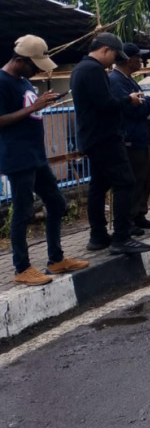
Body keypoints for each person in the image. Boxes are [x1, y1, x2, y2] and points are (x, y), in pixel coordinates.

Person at [1, 36, 90, 285]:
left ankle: (56, 259)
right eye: (35, 65)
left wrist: (43, 102)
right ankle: (21, 268)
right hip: (18, 157)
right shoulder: (2, 81)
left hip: (36, 156)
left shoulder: (23, 80)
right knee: (23, 211)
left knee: (57, 203)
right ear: (20, 60)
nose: (38, 71)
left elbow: (29, 111)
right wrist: (33, 107)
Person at [70, 32, 150, 255]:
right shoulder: (93, 70)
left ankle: (98, 236)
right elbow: (105, 104)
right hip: (105, 137)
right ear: (106, 49)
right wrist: (129, 100)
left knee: (99, 186)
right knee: (125, 182)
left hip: (92, 137)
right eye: (115, 55)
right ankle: (121, 237)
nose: (114, 61)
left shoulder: (80, 69)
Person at [109, 43, 150, 230]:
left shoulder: (128, 80)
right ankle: (128, 219)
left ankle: (139, 215)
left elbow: (141, 105)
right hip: (130, 140)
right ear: (128, 60)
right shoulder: (116, 82)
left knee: (145, 179)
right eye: (138, 58)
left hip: (141, 137)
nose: (141, 61)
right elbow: (133, 109)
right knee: (133, 181)